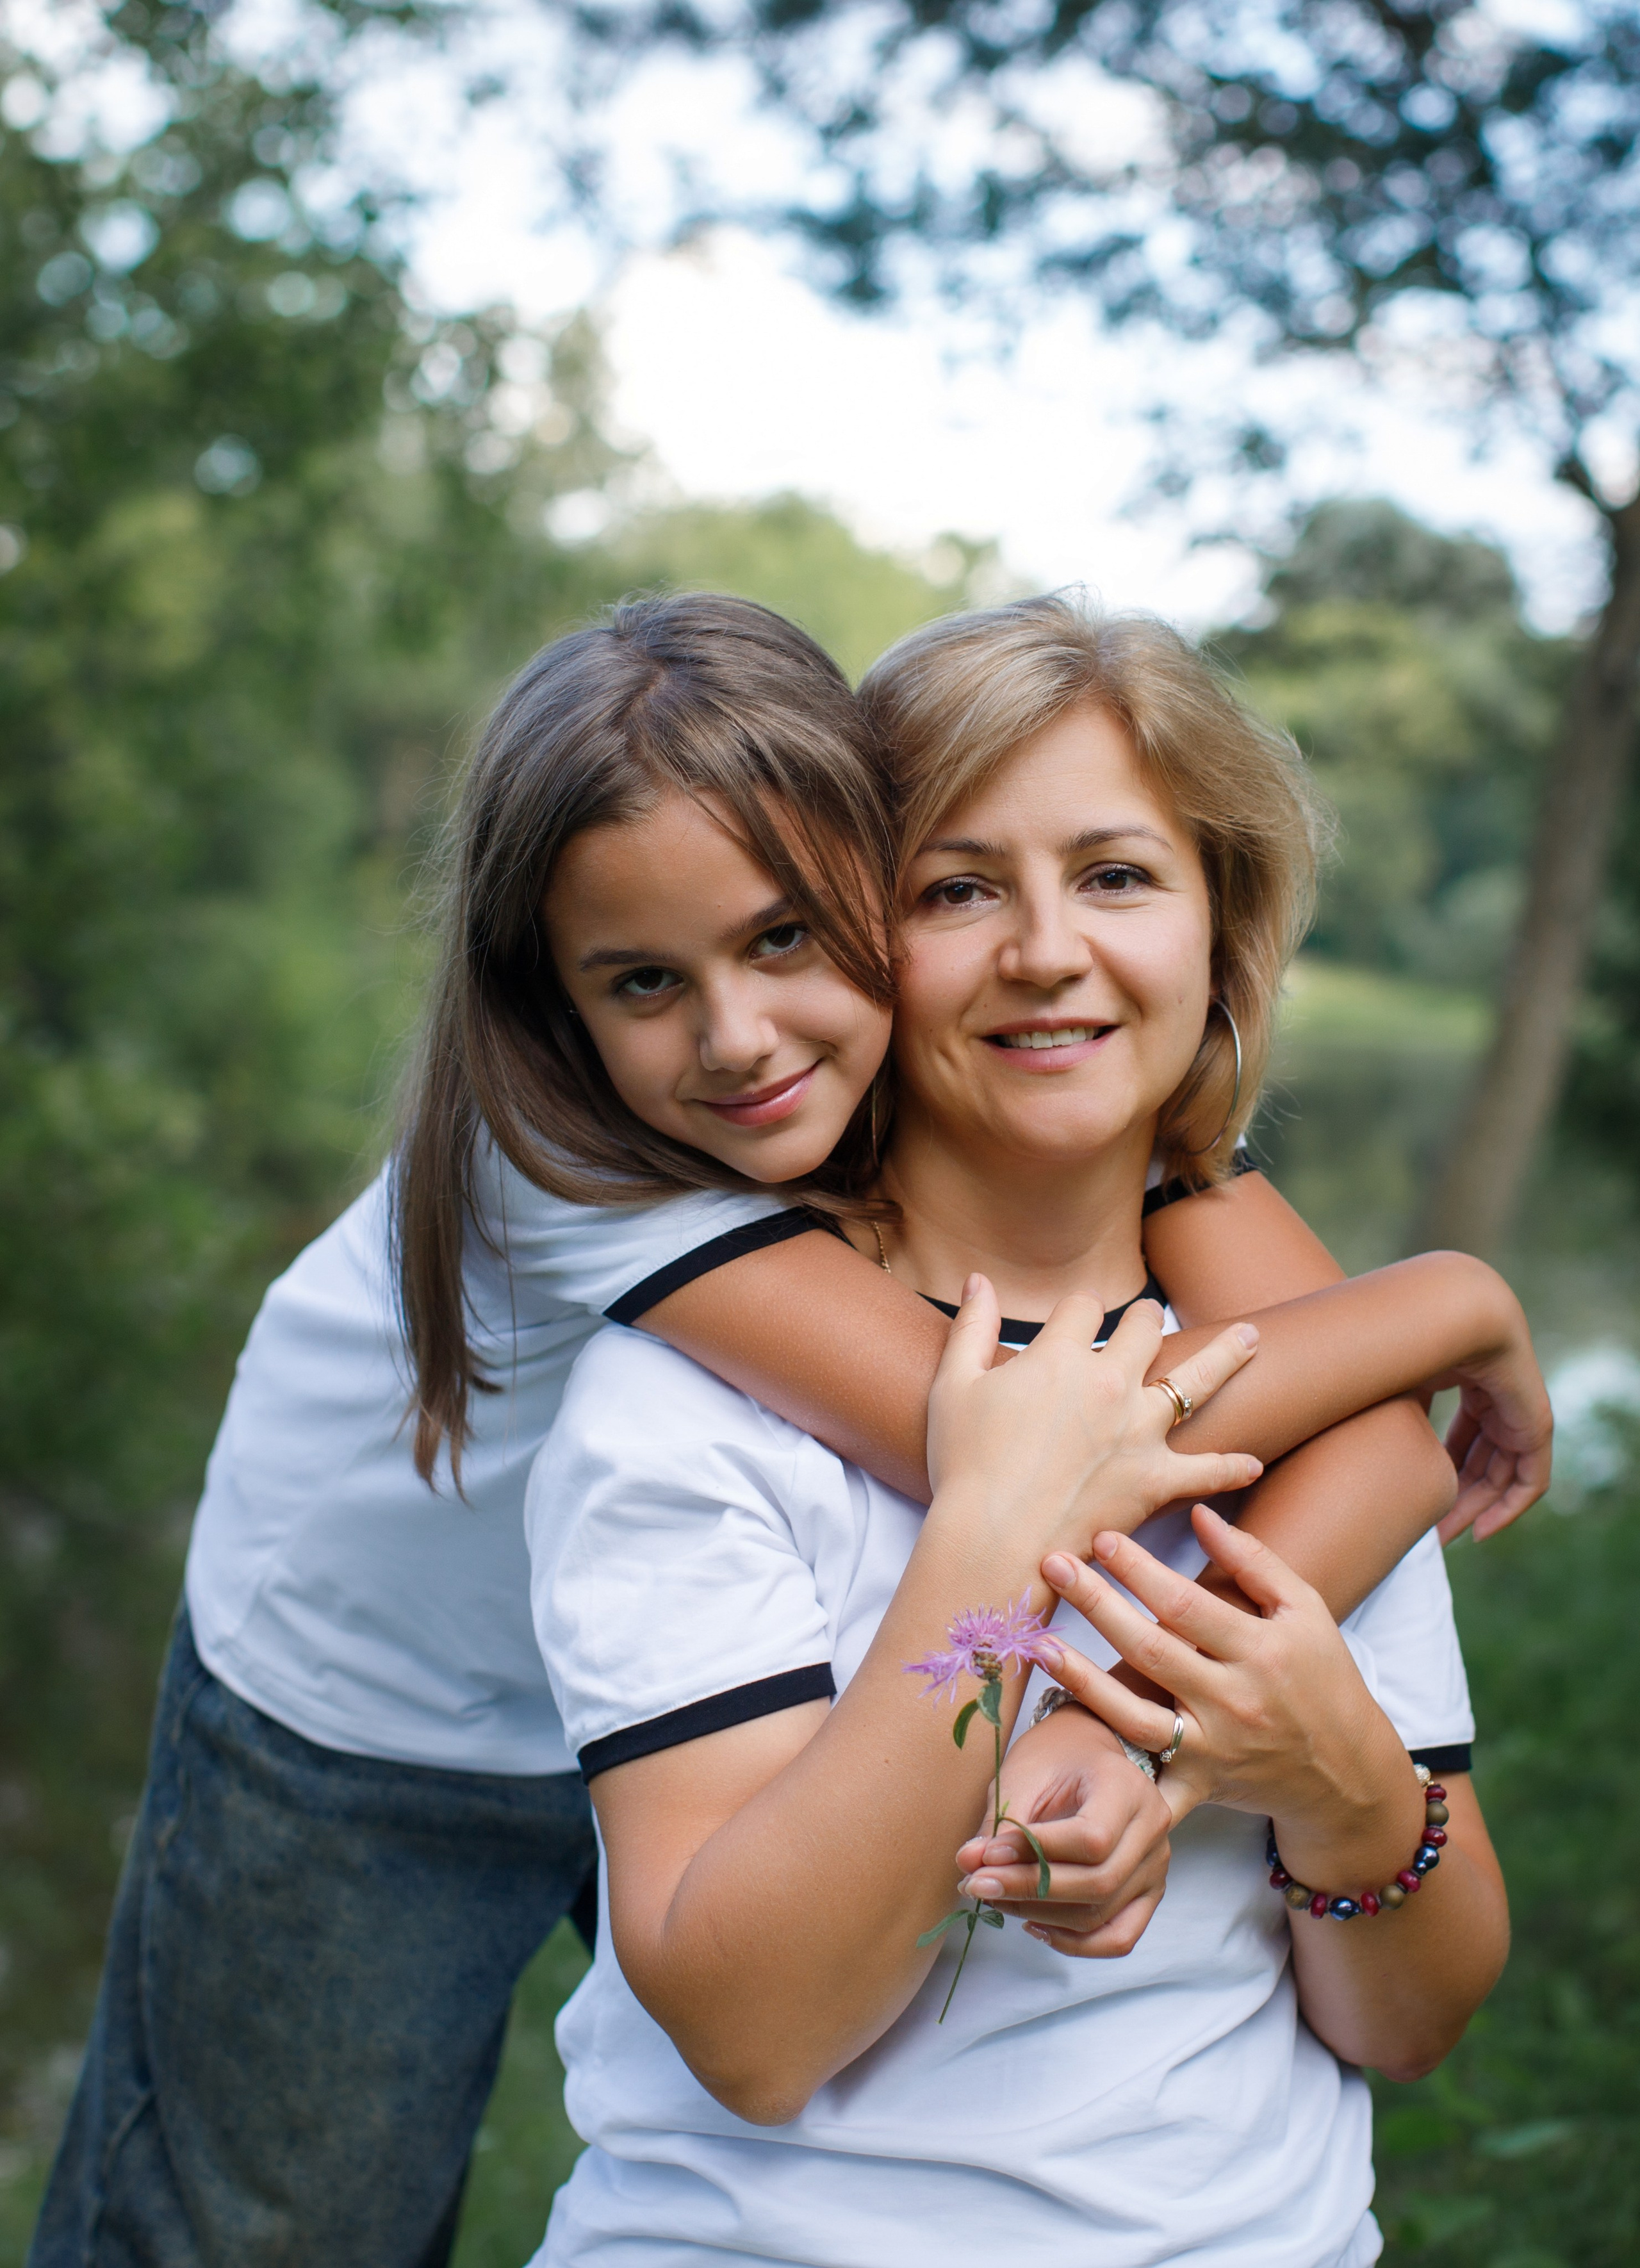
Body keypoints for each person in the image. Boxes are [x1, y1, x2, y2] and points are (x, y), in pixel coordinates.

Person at [33, 595, 1542, 2268]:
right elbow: (1031, 1446)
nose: (738, 1032)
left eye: (780, 940)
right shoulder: (581, 1150)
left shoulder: (1093, 1118)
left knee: (838, 2032)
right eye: (962, 886)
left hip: (700, 1675)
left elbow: (1365, 1441)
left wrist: (1209, 1694)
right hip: (375, 1707)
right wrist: (1456, 1301)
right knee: (273, 2221)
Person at [524, 595, 1513, 2265]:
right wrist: (1032, 1644)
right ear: (849, 938)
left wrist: (1338, 1787)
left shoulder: (1324, 1403)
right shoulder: (689, 1408)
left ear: (1221, 925)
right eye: (958, 888)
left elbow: (1407, 2023)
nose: (1048, 948)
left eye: (1118, 876)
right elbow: (756, 2038)